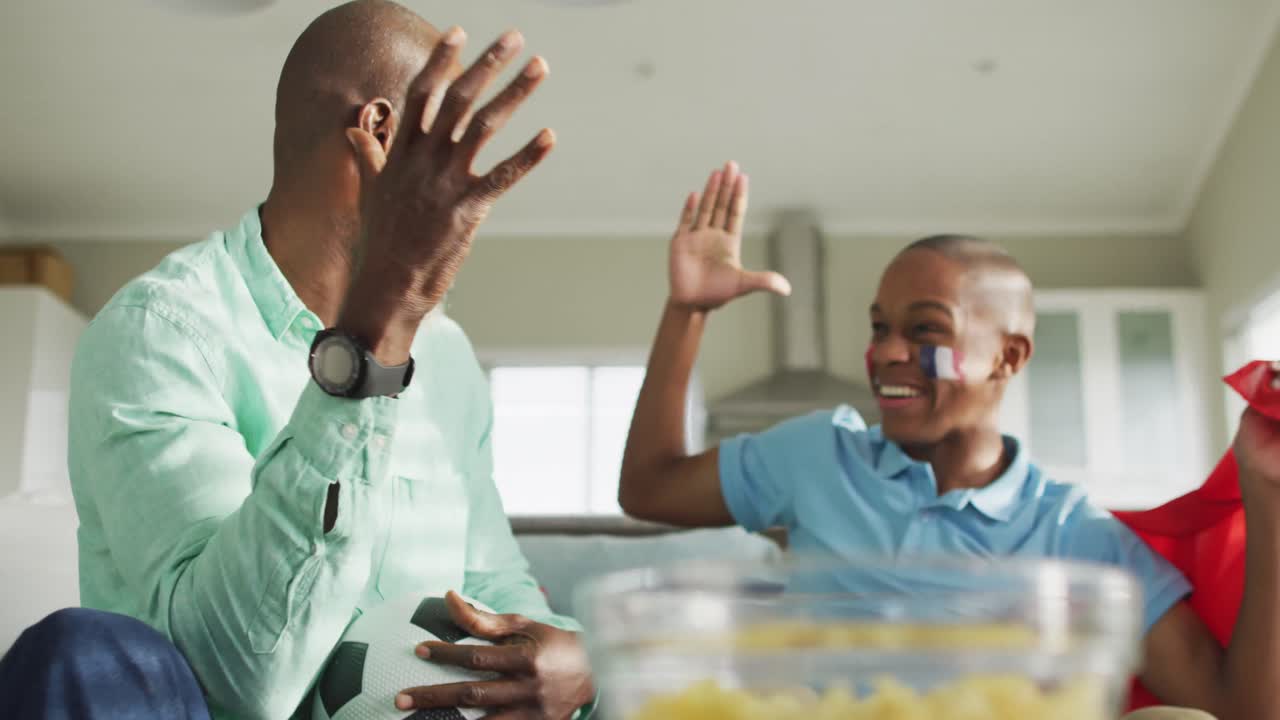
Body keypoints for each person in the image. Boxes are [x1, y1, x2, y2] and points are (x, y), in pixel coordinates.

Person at [0, 2, 594, 718]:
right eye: (450, 141)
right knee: (83, 651)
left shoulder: (449, 356)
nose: (471, 179)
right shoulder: (161, 330)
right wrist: (378, 330)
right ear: (379, 134)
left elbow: (496, 586)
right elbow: (241, 676)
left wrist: (571, 661)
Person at [618, 161, 1280, 720]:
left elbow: (1243, 707)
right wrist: (689, 313)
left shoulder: (1077, 536)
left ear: (1007, 358)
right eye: (880, 329)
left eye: (924, 332)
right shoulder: (817, 456)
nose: (886, 354)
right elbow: (649, 488)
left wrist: (1267, 486)